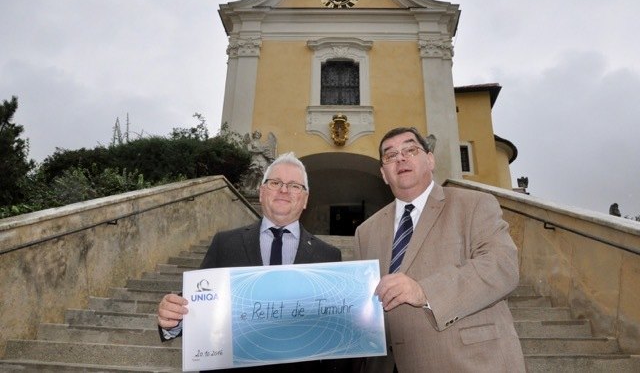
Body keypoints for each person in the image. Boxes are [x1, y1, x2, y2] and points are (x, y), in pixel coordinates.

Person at [354, 127, 526, 373]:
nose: (400, 158)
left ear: (430, 159)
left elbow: (503, 267)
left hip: (469, 363)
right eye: (390, 155)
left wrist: (425, 291)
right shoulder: (365, 232)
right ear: (384, 173)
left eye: (410, 150)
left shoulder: (475, 204)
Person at [157, 152, 345, 372]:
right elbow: (200, 309)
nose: (284, 190)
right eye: (275, 182)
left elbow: (334, 334)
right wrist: (174, 318)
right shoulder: (224, 243)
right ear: (262, 191)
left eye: (294, 186)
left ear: (305, 200)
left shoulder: (329, 256)